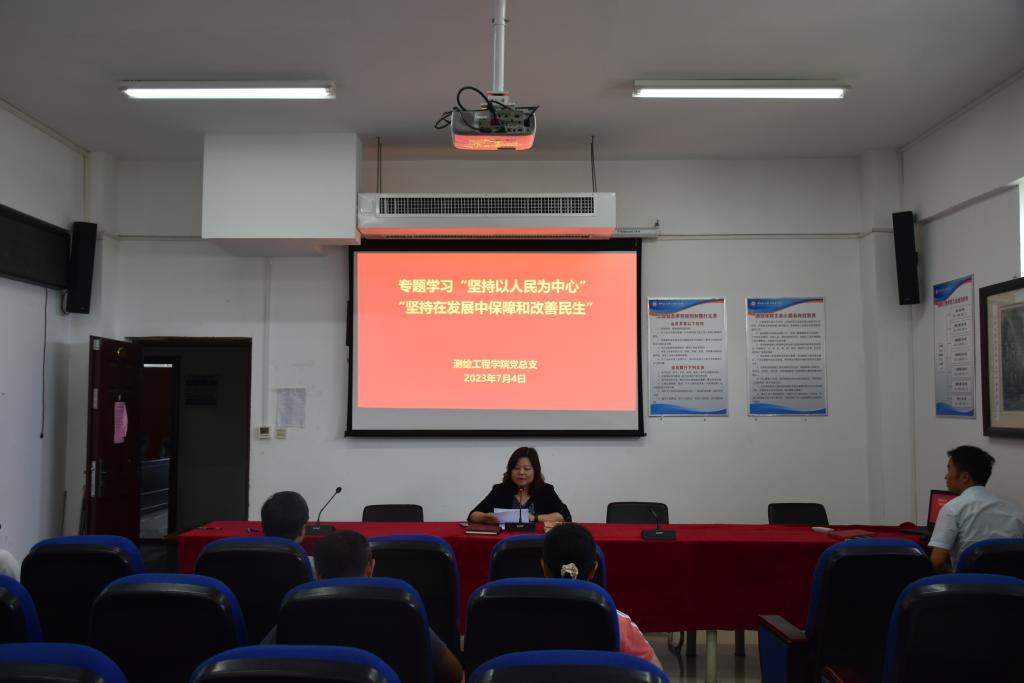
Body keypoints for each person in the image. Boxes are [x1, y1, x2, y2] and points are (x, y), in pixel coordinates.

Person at [263, 530, 464, 683]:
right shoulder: (400, 608)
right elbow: (454, 673)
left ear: (317, 574)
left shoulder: (297, 609)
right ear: (370, 568)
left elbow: (259, 662)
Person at [541, 523, 663, 669]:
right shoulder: (616, 623)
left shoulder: (519, 618)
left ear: (544, 567)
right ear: (594, 569)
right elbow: (656, 673)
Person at [928, 445, 1024, 572]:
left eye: (949, 469)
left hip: (968, 583)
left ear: (965, 477)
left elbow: (937, 562)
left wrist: (954, 577)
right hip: (1010, 583)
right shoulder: (1015, 511)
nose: (946, 476)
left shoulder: (952, 509)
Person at [469, 447, 571, 524]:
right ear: (510, 471)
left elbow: (564, 516)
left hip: (537, 542)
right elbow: (473, 515)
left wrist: (535, 517)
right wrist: (486, 517)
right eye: (516, 468)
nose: (521, 472)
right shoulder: (500, 490)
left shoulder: (546, 490)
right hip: (506, 541)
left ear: (535, 471)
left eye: (527, 469)